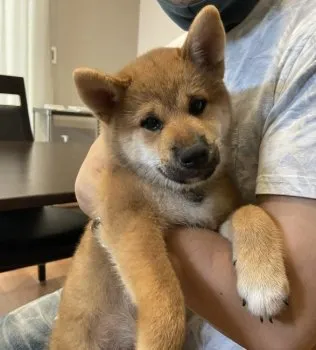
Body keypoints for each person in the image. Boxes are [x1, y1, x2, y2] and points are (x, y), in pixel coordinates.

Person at [1, 0, 316, 349]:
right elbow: (89, 186)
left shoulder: (302, 39)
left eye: (197, 106)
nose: (188, 142)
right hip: (89, 331)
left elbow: (292, 331)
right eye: (152, 123)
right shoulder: (161, 60)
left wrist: (253, 230)